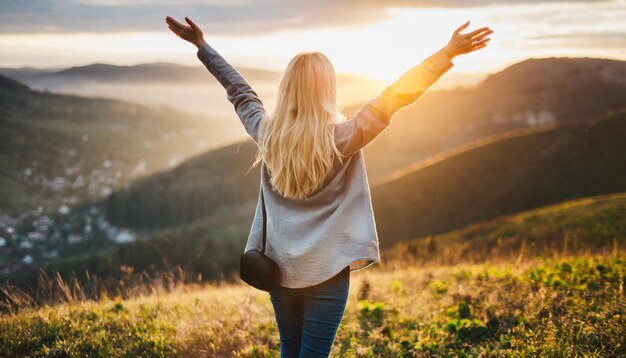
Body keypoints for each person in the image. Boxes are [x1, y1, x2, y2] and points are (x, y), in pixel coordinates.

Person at [166, 15, 492, 357]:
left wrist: (203, 47)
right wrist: (446, 54)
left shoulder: (267, 134)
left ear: (286, 90)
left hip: (278, 272)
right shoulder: (344, 138)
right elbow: (395, 96)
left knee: (289, 349)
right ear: (329, 90)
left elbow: (240, 92)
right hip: (328, 272)